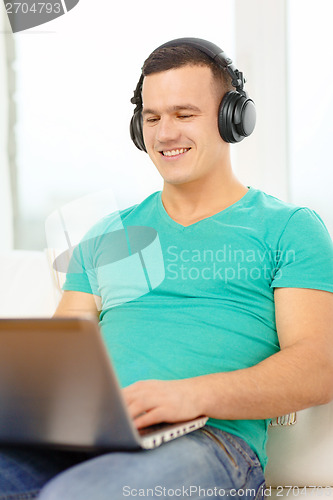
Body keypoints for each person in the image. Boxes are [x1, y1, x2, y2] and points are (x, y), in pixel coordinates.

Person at [1, 38, 332, 500]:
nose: (164, 133)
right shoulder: (106, 235)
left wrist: (190, 396)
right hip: (92, 438)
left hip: (211, 443)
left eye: (184, 114)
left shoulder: (288, 229)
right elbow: (61, 363)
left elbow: (318, 368)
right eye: (152, 118)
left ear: (232, 119)